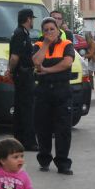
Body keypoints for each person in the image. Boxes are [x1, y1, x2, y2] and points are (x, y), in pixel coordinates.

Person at [32, 17, 75, 175]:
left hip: (62, 90)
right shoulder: (38, 45)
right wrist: (45, 44)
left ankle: (63, 163)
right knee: (42, 127)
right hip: (43, 91)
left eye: (52, 29)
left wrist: (47, 70)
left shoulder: (67, 44)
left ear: (58, 30)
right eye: (46, 30)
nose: (49, 32)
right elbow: (36, 61)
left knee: (63, 129)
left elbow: (67, 63)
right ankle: (44, 159)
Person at [7, 8, 38, 151]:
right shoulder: (20, 34)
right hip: (23, 75)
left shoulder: (21, 33)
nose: (33, 22)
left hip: (23, 75)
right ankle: (28, 141)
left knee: (21, 108)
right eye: (32, 19)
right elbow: (15, 57)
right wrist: (10, 70)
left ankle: (19, 139)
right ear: (28, 19)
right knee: (27, 109)